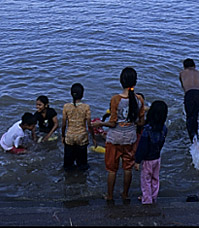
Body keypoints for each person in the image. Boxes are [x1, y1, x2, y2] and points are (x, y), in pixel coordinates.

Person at [92, 67, 146, 201]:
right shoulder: (139, 99)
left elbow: (112, 123)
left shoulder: (116, 99)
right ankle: (125, 195)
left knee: (112, 169)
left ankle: (110, 196)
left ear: (121, 81)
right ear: (135, 82)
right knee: (128, 168)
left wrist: (99, 124)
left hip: (114, 139)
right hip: (130, 139)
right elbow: (141, 122)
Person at [134, 100, 168, 205]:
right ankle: (153, 197)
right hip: (157, 158)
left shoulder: (147, 130)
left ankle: (147, 200)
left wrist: (137, 161)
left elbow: (142, 148)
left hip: (147, 160)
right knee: (155, 179)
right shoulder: (164, 128)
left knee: (146, 181)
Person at [61, 83, 91, 170]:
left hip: (69, 137)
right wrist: (94, 138)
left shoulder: (66, 107)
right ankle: (81, 181)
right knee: (83, 166)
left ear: (71, 94)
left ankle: (68, 181)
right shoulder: (86, 107)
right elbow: (89, 124)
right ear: (82, 94)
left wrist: (63, 136)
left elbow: (63, 124)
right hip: (82, 137)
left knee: (67, 166)